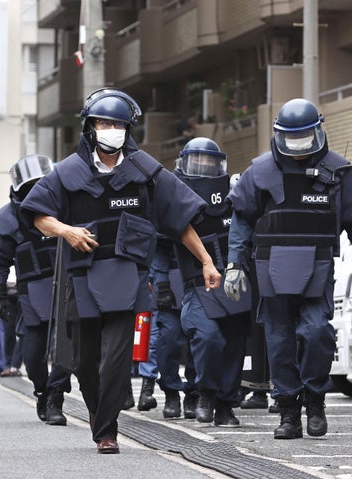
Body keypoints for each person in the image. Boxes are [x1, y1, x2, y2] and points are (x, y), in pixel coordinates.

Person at [21, 87, 221, 454]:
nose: (111, 129)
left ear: (128, 129)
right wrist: (65, 230)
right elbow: (37, 215)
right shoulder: (67, 172)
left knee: (114, 359)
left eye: (118, 124)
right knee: (83, 363)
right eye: (103, 122)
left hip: (126, 279)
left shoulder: (146, 172)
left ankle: (108, 430)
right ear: (90, 127)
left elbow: (180, 221)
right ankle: (99, 417)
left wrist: (207, 260)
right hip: (80, 279)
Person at [224, 98, 352, 439]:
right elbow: (240, 222)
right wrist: (234, 265)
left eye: (304, 139)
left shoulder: (339, 173)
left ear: (318, 132)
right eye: (291, 140)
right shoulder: (260, 172)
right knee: (279, 343)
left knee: (316, 334)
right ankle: (288, 413)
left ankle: (314, 400)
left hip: (317, 269)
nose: (298, 148)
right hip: (270, 271)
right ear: (280, 136)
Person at [0, 154, 73, 426]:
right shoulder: (8, 218)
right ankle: (42, 389)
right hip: (31, 291)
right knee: (32, 353)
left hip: (66, 287)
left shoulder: (65, 208)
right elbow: (0, 261)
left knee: (66, 347)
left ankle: (56, 396)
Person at [172, 137, 250, 427]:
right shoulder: (175, 198)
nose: (204, 167)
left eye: (210, 162)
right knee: (208, 337)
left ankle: (226, 404)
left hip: (234, 281)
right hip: (198, 285)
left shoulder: (234, 194)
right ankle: (205, 393)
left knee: (234, 344)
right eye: (198, 161)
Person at [151, 236, 199, 419]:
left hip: (199, 275)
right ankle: (171, 392)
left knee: (198, 339)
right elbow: (159, 248)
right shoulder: (168, 209)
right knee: (169, 339)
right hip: (170, 278)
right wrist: (161, 283)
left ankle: (193, 393)